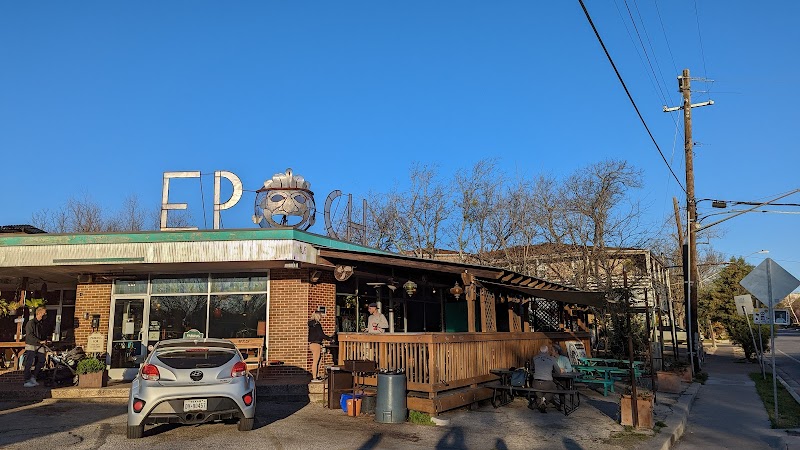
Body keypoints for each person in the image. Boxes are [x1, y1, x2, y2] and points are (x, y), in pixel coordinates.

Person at [530, 344, 561, 413]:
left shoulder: (535, 358)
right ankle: (544, 400)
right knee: (555, 388)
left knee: (538, 391)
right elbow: (558, 371)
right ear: (547, 351)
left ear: (539, 351)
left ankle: (540, 401)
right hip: (547, 383)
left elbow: (532, 369)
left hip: (536, 383)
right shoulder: (552, 359)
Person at [23, 307, 48, 388]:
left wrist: (45, 340)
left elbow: (43, 334)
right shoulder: (30, 323)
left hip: (40, 344)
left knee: (42, 360)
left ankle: (34, 377)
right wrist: (39, 341)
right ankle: (27, 380)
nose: (45, 315)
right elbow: (29, 335)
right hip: (31, 344)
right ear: (39, 313)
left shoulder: (42, 323)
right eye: (44, 313)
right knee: (29, 362)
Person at [308, 312, 331, 382]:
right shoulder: (317, 325)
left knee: (319, 360)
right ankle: (314, 377)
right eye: (320, 315)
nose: (321, 317)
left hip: (312, 344)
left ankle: (317, 375)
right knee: (316, 361)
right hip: (316, 344)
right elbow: (321, 334)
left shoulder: (311, 325)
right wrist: (329, 338)